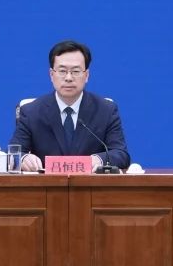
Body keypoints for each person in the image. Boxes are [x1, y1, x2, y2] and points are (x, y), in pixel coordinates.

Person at [12, 40, 129, 172]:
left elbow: (121, 154)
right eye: (62, 71)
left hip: (91, 183)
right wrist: (23, 158)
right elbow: (13, 154)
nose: (68, 78)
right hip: (46, 184)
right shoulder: (31, 111)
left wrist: (99, 159)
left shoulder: (106, 110)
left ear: (86, 75)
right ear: (51, 75)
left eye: (76, 71)